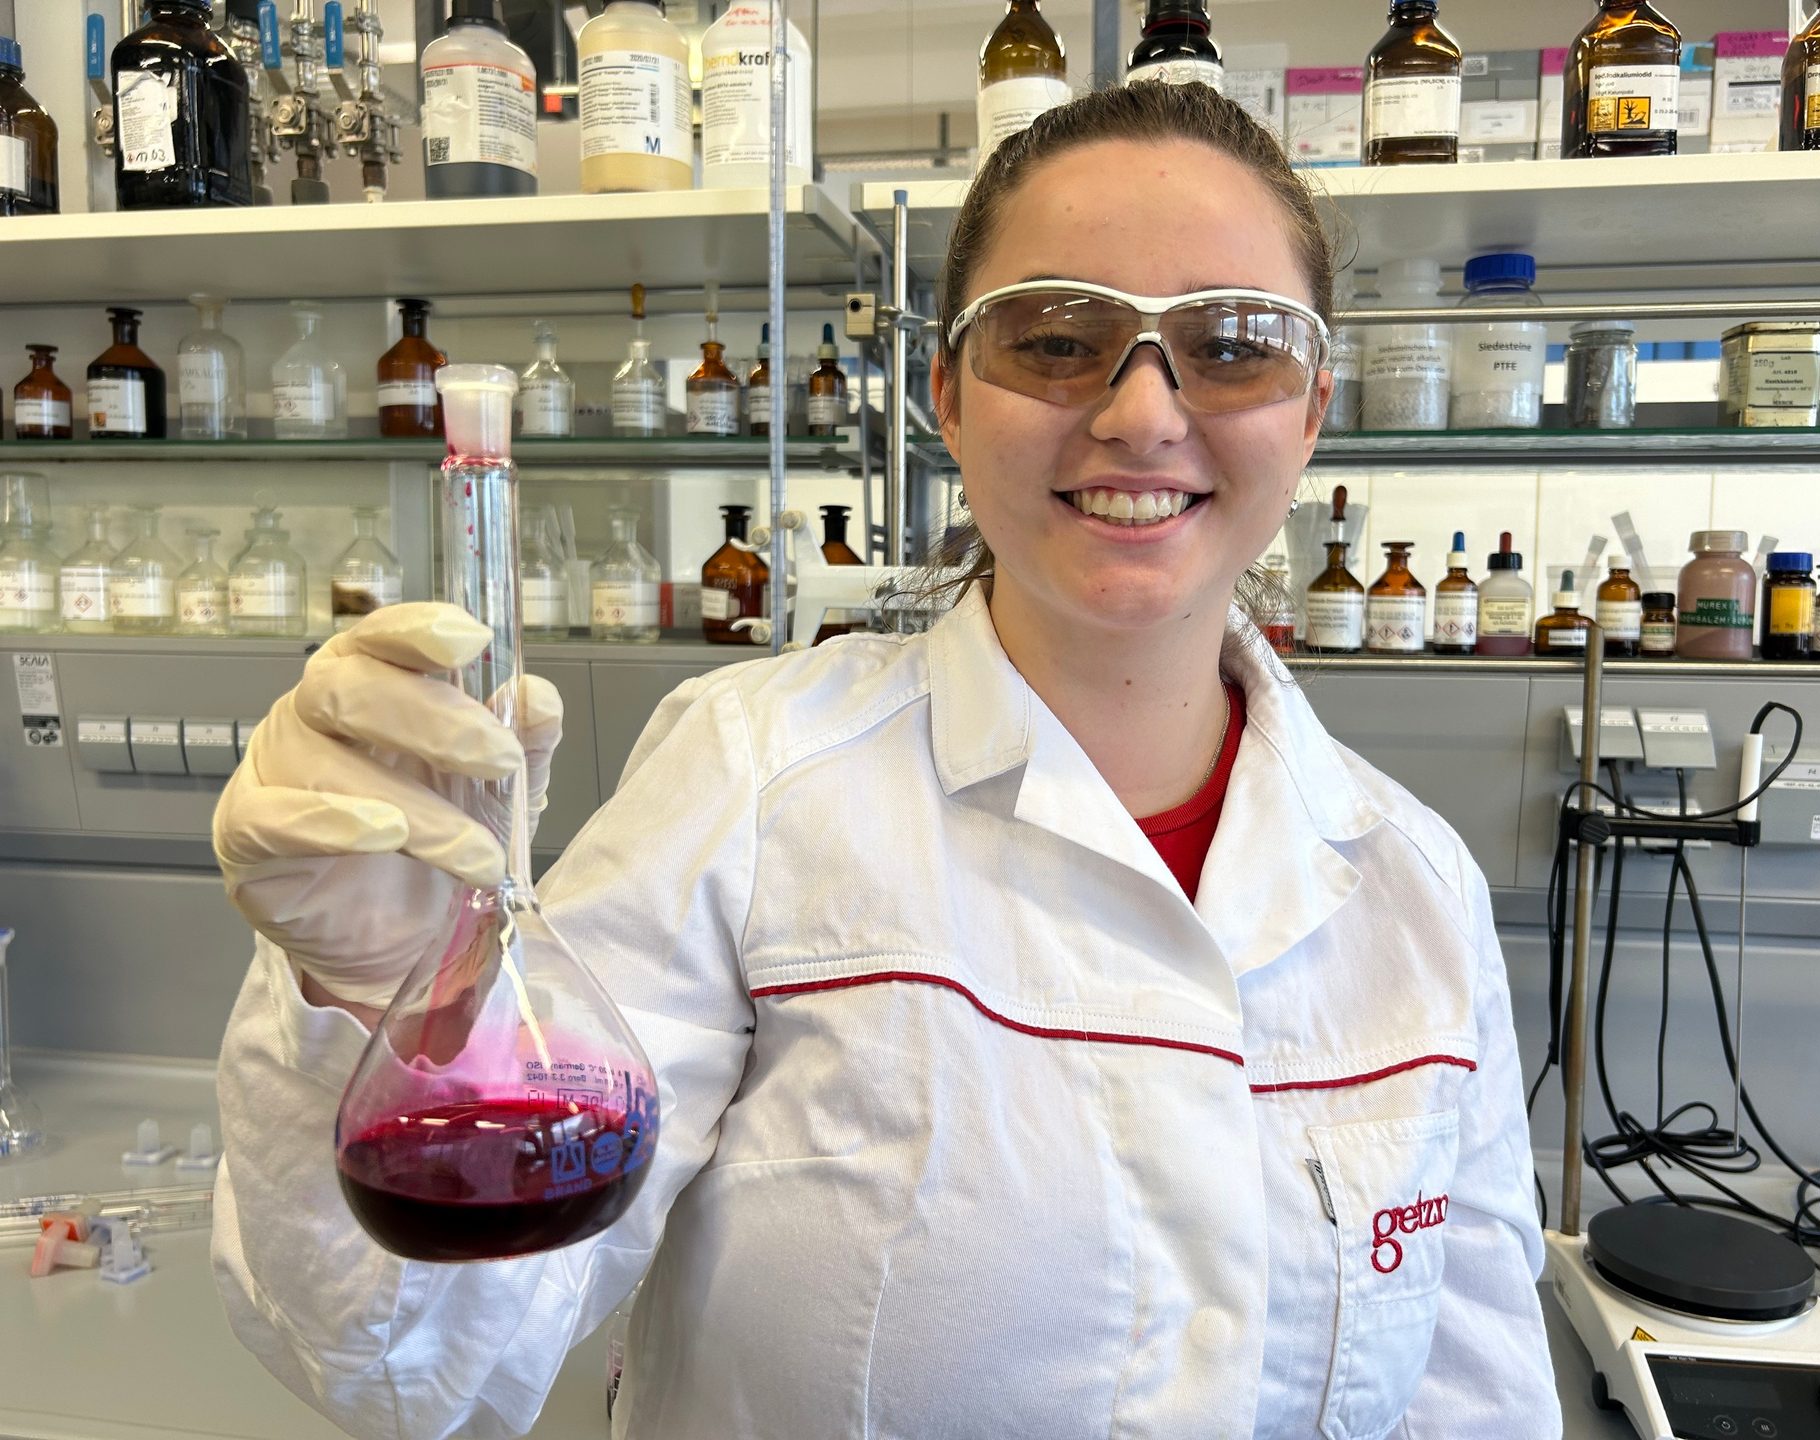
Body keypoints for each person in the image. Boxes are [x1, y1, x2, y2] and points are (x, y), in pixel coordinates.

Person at [208, 83, 1560, 1439]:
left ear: (1311, 410)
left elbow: (1479, 1406)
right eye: (1056, 337)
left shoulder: (1416, 889)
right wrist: (387, 998)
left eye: (1233, 345)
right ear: (947, 399)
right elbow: (412, 1362)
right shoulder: (750, 778)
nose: (1144, 413)